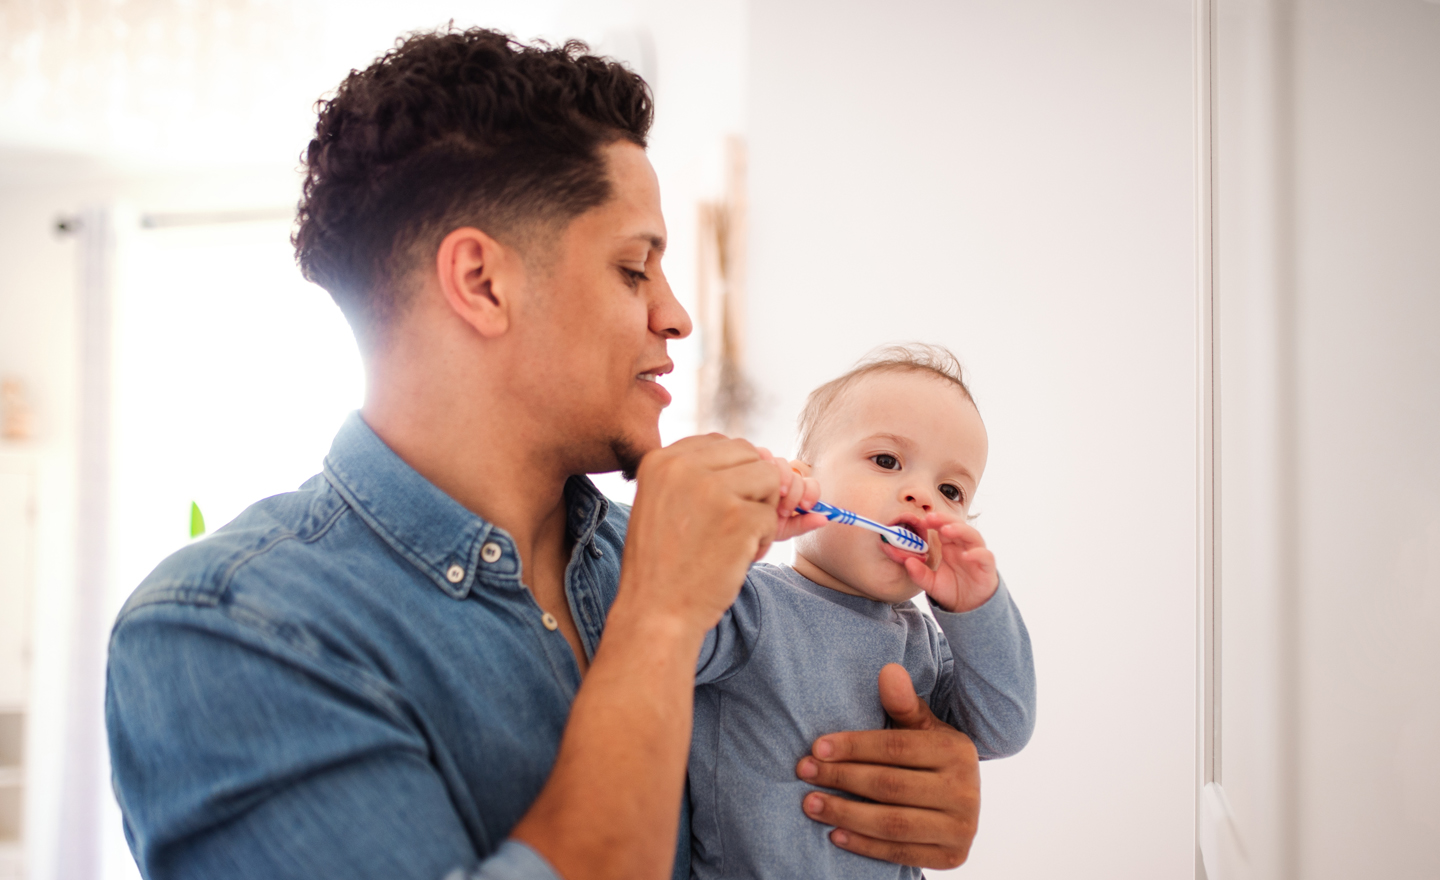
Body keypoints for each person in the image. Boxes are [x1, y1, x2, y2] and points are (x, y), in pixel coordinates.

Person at [105, 28, 984, 880]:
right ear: (483, 284)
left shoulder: (670, 566)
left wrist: (913, 787)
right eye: (635, 269)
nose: (677, 316)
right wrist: (659, 621)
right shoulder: (227, 632)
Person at [688, 344, 1036, 879]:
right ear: (804, 484)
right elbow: (667, 639)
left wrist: (976, 609)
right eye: (887, 461)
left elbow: (1003, 729)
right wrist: (728, 537)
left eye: (951, 490)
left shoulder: (926, 643)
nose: (923, 497)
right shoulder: (752, 604)